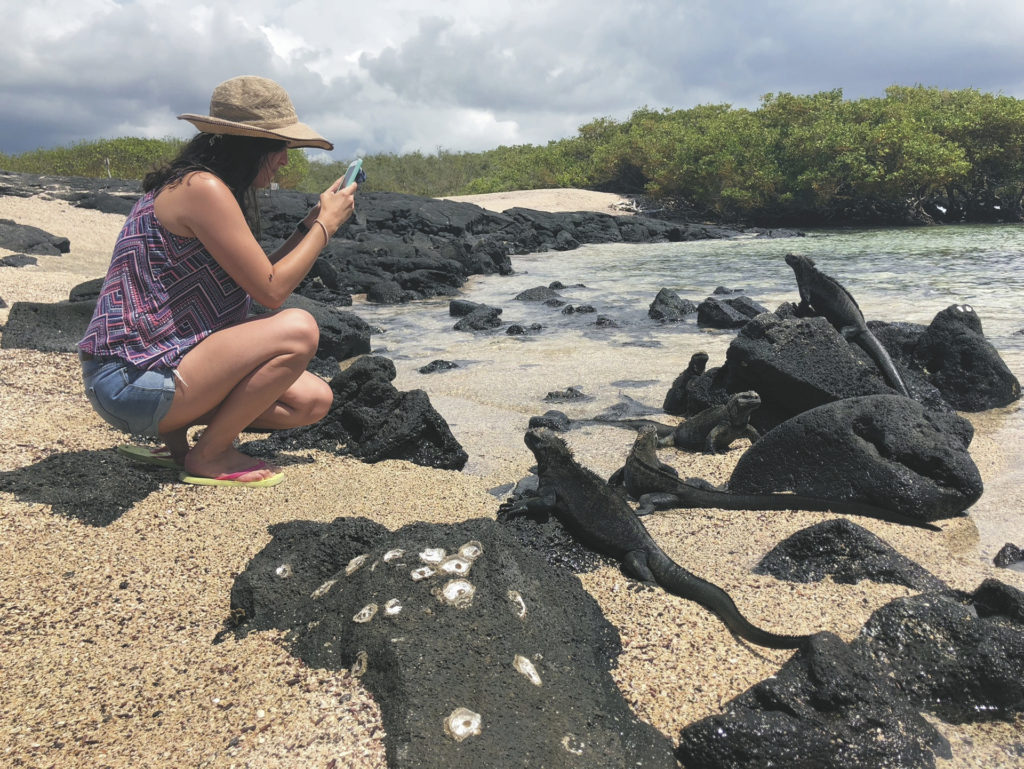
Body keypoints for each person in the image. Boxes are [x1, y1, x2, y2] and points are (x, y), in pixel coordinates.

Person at [78, 75, 355, 487]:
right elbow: (272, 291)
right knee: (300, 329)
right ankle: (210, 455)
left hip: (141, 375)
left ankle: (176, 441)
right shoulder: (202, 188)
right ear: (251, 146)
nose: (284, 159)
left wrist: (309, 225)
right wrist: (327, 228)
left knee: (312, 400)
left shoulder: (192, 184)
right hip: (130, 382)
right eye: (280, 147)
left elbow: (255, 276)